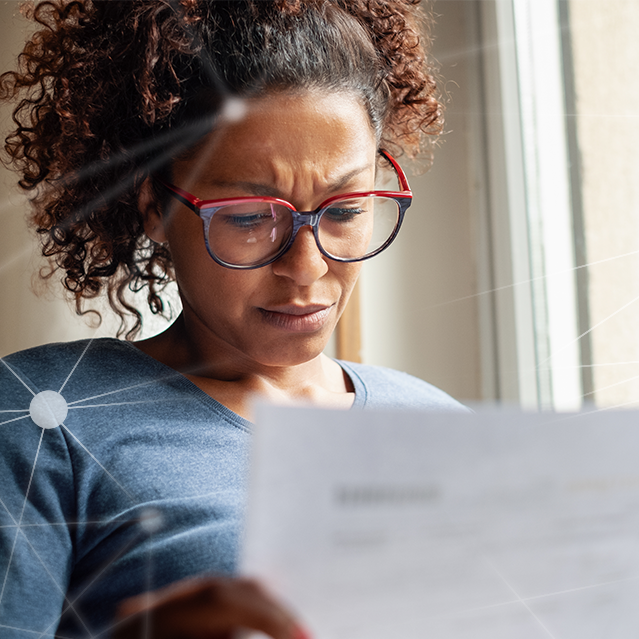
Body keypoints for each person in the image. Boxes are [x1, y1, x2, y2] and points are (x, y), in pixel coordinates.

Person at [0, 1, 465, 637]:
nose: (306, 267)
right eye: (248, 217)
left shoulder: (443, 427)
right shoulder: (43, 419)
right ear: (154, 208)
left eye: (347, 210)